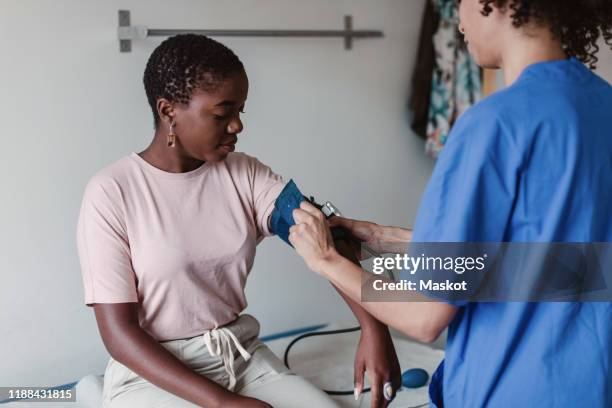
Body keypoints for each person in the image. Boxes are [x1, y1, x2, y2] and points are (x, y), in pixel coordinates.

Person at [288, 0, 612, 406]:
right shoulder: (602, 105)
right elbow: (561, 267)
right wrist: (382, 239)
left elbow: (425, 317)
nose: (458, 17)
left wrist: (326, 261)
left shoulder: (494, 125)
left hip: (512, 389)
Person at [76, 34, 401, 408]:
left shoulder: (245, 174)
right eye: (221, 114)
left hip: (240, 357)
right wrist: (222, 403)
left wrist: (375, 329)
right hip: (154, 374)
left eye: (240, 111)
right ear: (168, 112)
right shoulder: (111, 192)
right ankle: (94, 391)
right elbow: (119, 335)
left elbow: (327, 239)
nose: (237, 126)